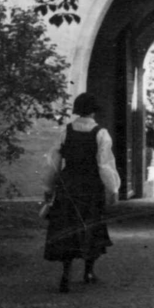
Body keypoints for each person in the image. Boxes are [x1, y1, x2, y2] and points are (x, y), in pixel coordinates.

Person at [43, 92, 120, 293]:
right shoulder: (101, 133)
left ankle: (66, 273)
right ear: (94, 111)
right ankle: (88, 271)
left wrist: (49, 188)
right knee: (90, 227)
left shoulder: (66, 131)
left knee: (67, 228)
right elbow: (104, 165)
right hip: (90, 185)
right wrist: (112, 189)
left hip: (69, 184)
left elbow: (54, 162)